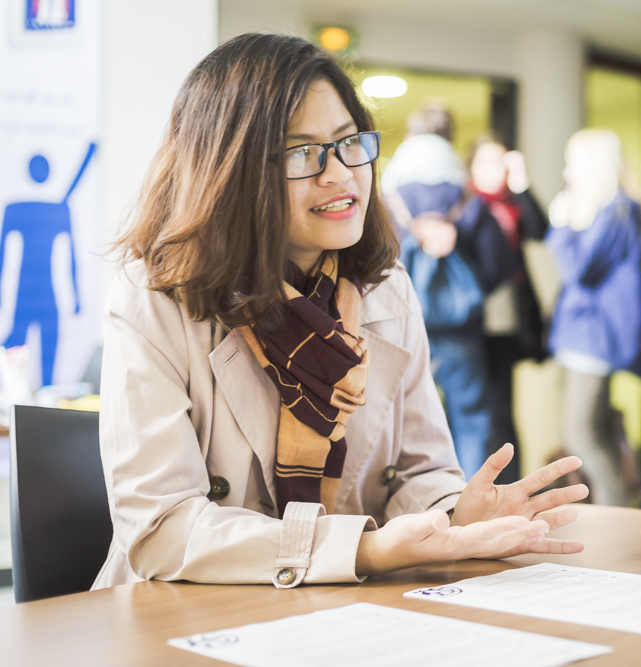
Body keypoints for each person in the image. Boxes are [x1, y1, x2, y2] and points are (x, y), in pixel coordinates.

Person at [93, 33, 588, 590]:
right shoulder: (154, 297)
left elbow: (419, 473)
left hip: (339, 613)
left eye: (349, 142)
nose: (341, 173)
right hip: (177, 619)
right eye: (303, 152)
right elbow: (161, 530)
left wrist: (456, 515)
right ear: (229, 171)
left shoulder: (386, 287)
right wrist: (364, 550)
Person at [382, 105, 519, 479]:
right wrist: (465, 290)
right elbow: (500, 264)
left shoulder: (387, 196)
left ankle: (414, 510)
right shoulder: (467, 197)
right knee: (471, 416)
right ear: (450, 141)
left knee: (398, 419)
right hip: (461, 330)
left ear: (410, 139)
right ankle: (469, 511)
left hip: (397, 325)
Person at [546, 129, 641, 506]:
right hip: (590, 335)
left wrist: (561, 226)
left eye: (572, 163)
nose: (568, 174)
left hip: (593, 337)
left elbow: (577, 270)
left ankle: (617, 518)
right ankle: (619, 517)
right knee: (598, 433)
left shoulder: (615, 211)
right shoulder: (618, 210)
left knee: (581, 435)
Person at [469, 138, 549, 485]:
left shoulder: (513, 205)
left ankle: (509, 485)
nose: (496, 171)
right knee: (476, 409)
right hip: (468, 320)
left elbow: (540, 230)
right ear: (471, 167)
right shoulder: (464, 203)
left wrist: (522, 182)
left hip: (506, 322)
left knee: (502, 408)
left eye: (501, 163)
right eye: (487, 162)